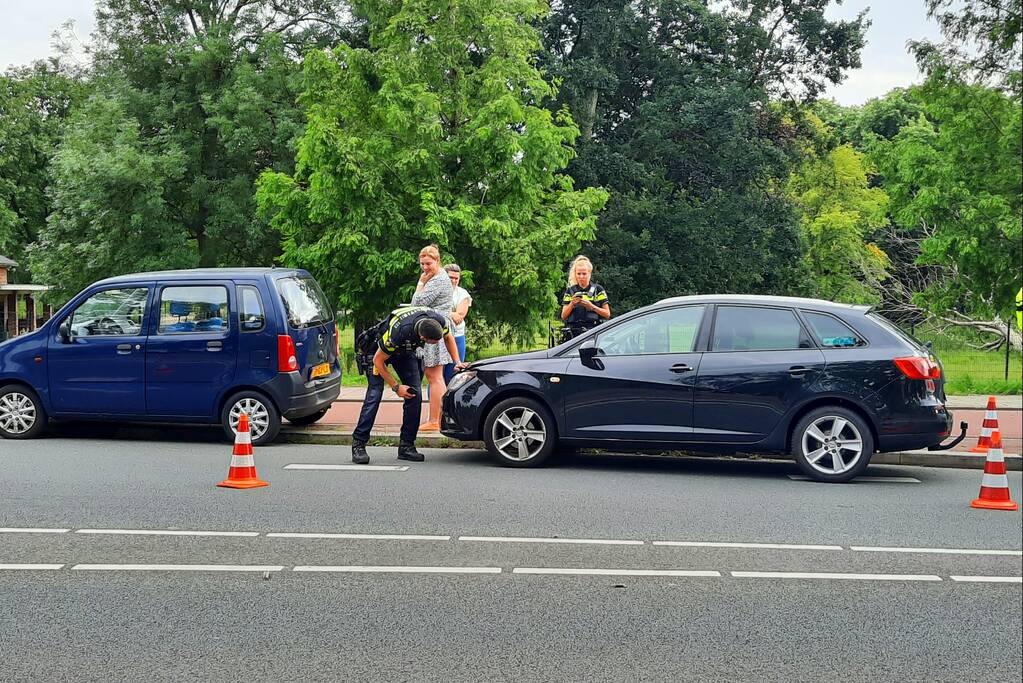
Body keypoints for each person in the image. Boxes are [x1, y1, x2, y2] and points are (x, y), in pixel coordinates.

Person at [351, 306, 466, 464]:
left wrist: (457, 361)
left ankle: (406, 446)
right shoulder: (400, 331)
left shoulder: (438, 321)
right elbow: (378, 361)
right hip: (377, 351)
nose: (434, 345)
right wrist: (396, 387)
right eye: (432, 343)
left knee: (414, 394)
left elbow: (448, 338)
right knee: (375, 394)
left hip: (404, 352)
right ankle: (359, 444)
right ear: (422, 337)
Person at [411, 245, 453, 431]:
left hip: (434, 329)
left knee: (434, 376)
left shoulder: (438, 280)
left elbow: (416, 302)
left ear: (437, 261)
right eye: (422, 264)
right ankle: (438, 418)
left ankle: (435, 420)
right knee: (435, 376)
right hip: (437, 326)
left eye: (428, 263)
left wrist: (421, 283)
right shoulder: (439, 277)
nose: (425, 268)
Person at [560, 255, 610, 340]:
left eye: (584, 274)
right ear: (575, 274)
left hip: (593, 332)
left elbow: (607, 314)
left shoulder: (598, 290)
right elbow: (563, 316)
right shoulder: (570, 291)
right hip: (573, 334)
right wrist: (572, 304)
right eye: (578, 274)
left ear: (589, 273)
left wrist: (591, 306)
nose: (581, 277)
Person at [443, 263, 472, 385]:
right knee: (436, 375)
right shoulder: (438, 291)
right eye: (451, 277)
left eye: (456, 278)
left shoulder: (462, 293)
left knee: (454, 373)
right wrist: (450, 313)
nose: (454, 281)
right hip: (438, 337)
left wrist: (443, 313)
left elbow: (459, 316)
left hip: (457, 336)